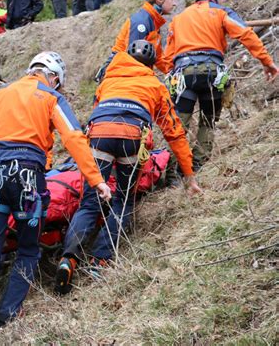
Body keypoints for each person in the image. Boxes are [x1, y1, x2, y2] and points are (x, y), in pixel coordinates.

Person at [0, 51, 111, 343]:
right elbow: (73, 137)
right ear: (53, 77)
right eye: (59, 84)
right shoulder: (50, 96)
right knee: (28, 249)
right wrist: (96, 179)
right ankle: (8, 315)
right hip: (28, 178)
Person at [55, 40, 202, 294]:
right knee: (124, 200)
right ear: (150, 65)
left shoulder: (107, 81)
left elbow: (95, 112)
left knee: (90, 203)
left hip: (99, 132)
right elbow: (174, 131)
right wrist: (189, 175)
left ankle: (68, 258)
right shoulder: (155, 84)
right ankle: (100, 259)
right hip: (133, 136)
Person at [164, 0, 278, 169]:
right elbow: (246, 35)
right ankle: (198, 166)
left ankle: (174, 172)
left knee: (179, 125)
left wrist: (170, 76)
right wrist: (267, 62)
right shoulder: (222, 12)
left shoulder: (178, 19)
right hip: (211, 74)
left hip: (184, 74)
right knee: (207, 121)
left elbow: (167, 56)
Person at [96, 0, 177, 82]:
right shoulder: (141, 23)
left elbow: (158, 58)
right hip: (119, 77)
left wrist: (174, 70)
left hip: (133, 76)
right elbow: (132, 60)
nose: (174, 3)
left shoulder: (153, 22)